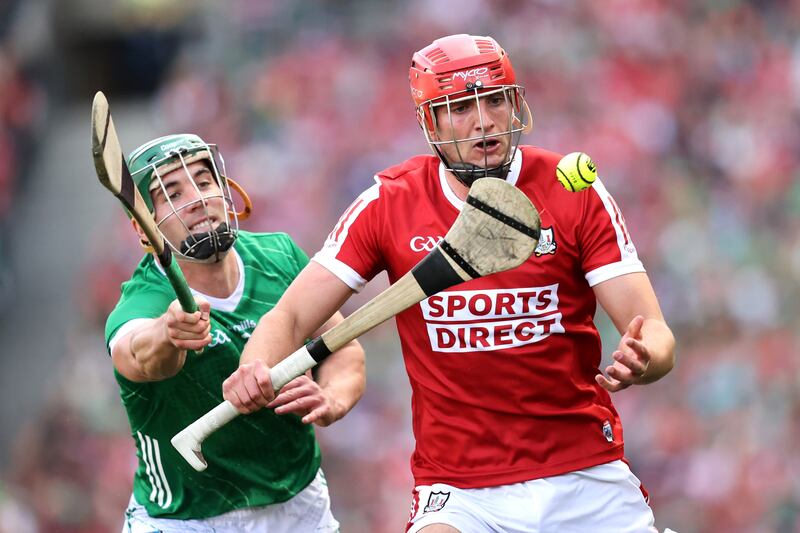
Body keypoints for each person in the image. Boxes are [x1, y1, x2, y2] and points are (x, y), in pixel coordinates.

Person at [224, 34, 676, 533]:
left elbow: (654, 332)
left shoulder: (575, 189)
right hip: (460, 488)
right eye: (460, 107)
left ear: (515, 105)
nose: (482, 120)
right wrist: (254, 368)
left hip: (584, 469)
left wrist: (645, 358)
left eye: (493, 100)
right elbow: (289, 317)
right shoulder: (389, 204)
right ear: (430, 122)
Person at [104, 133, 365, 532]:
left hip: (299, 504)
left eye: (203, 181)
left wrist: (332, 398)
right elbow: (137, 355)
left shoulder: (280, 256)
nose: (196, 199)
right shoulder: (144, 301)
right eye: (171, 193)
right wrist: (168, 334)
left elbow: (344, 349)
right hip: (183, 519)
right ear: (143, 229)